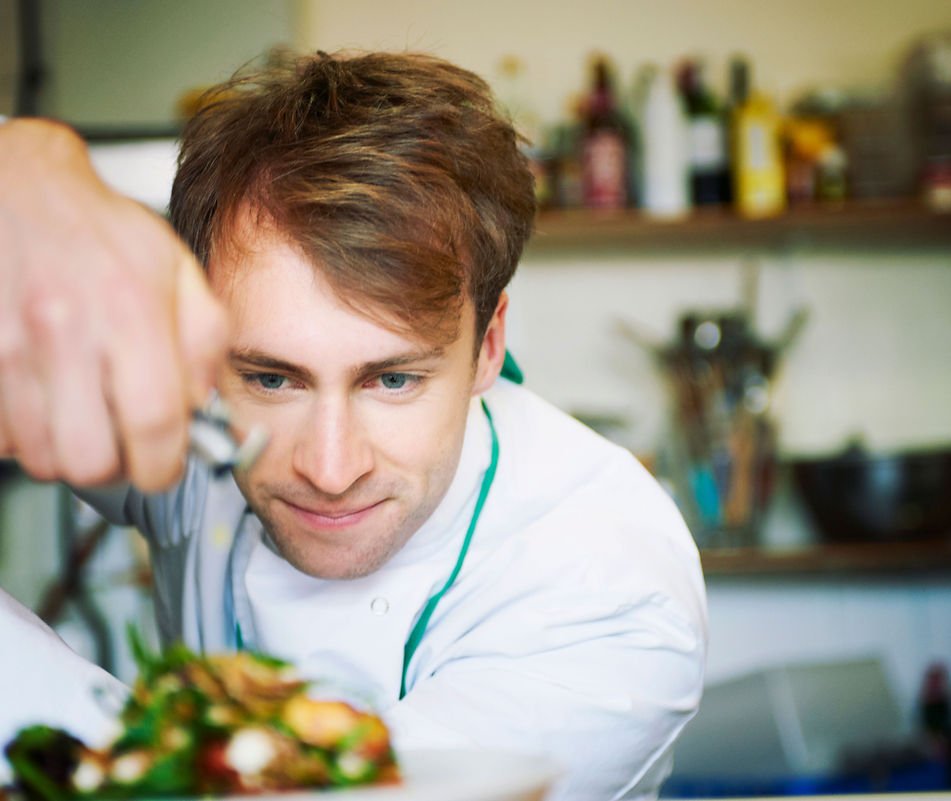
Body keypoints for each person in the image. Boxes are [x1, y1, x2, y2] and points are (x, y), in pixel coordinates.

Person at [0, 51, 706, 800]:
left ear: (488, 345)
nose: (329, 470)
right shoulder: (194, 418)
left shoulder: (609, 585)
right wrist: (20, 159)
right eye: (272, 379)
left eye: (392, 380)